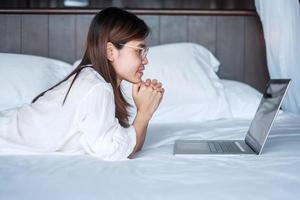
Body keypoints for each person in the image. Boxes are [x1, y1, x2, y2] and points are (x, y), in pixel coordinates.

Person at [0, 7, 164, 161]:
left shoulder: (95, 81)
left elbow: (129, 145)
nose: (146, 60)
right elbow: (115, 152)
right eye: (139, 51)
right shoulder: (96, 87)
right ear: (110, 51)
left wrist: (145, 112)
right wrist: (144, 113)